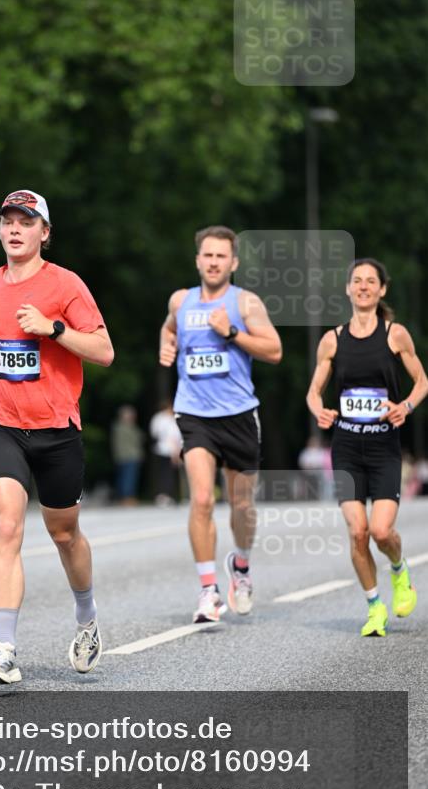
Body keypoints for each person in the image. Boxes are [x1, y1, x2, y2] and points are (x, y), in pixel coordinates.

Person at [0, 190, 114, 684]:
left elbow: (104, 351)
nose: (15, 229)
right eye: (8, 221)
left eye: (27, 221)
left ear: (45, 232)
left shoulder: (66, 284)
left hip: (57, 431)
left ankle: (86, 618)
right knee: (6, 528)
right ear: (0, 229)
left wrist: (53, 328)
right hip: (2, 423)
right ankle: (4, 650)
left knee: (64, 533)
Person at [159, 226, 282, 622]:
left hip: (239, 415)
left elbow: (274, 350)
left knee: (242, 504)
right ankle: (208, 591)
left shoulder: (245, 303)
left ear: (233, 262)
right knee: (201, 500)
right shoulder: (181, 300)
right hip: (195, 415)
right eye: (207, 255)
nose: (213, 262)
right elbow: (170, 327)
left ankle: (241, 567)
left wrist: (231, 332)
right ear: (198, 260)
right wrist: (166, 341)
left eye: (221, 256)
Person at [307, 258, 428, 637]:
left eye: (370, 281)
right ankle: (375, 607)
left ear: (382, 290)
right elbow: (313, 391)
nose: (362, 287)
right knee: (357, 532)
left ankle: (398, 569)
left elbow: (422, 381)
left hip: (384, 450)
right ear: (347, 289)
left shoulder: (396, 335)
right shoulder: (332, 340)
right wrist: (320, 412)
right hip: (345, 449)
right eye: (356, 281)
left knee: (380, 531)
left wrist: (405, 406)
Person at [149, 400, 183, 506]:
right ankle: (163, 495)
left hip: (166, 449)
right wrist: (175, 451)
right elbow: (171, 436)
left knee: (168, 474)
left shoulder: (162, 418)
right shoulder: (165, 418)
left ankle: (167, 495)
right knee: (166, 474)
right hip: (165, 450)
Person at [111, 405, 144, 505]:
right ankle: (126, 498)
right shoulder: (123, 427)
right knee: (128, 478)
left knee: (125, 477)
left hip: (126, 456)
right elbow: (138, 438)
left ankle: (125, 497)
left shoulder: (120, 427)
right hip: (129, 456)